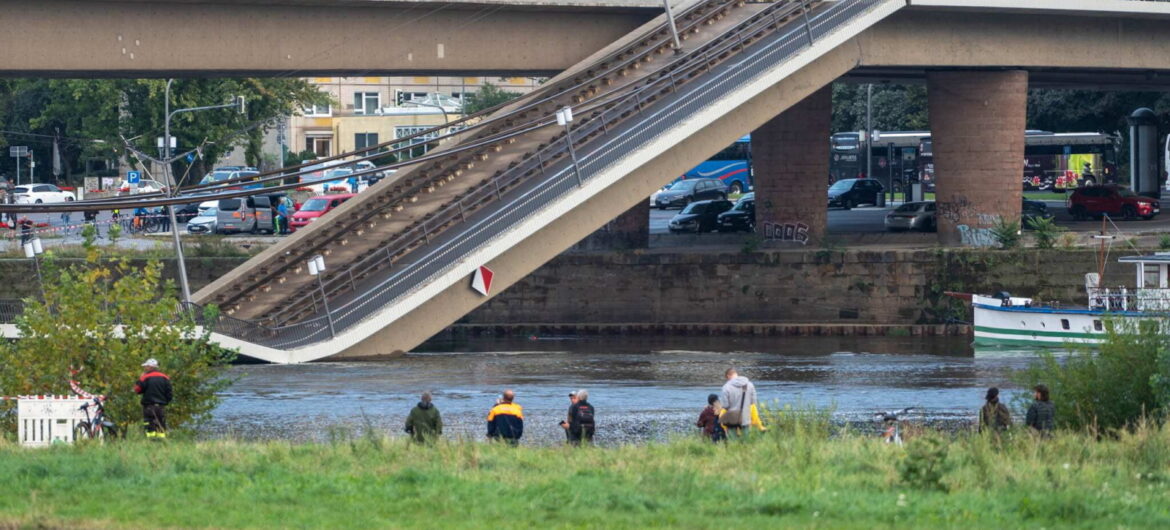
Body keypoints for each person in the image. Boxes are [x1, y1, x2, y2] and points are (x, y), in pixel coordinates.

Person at [133, 358, 173, 439]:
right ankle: (161, 442)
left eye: (146, 366)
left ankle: (151, 441)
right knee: (160, 424)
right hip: (161, 406)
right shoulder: (165, 378)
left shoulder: (145, 377)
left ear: (150, 367)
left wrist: (139, 380)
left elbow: (137, 390)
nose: (144, 368)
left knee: (149, 424)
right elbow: (169, 393)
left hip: (148, 406)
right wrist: (165, 402)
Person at [719, 367, 757, 439]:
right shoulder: (750, 385)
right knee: (746, 440)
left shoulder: (726, 387)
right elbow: (753, 402)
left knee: (733, 440)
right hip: (746, 417)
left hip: (732, 418)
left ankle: (734, 449)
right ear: (736, 374)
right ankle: (745, 449)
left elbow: (725, 405)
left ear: (728, 376)